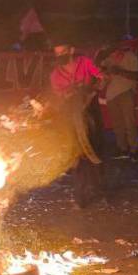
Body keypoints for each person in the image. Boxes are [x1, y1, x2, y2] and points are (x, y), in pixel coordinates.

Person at [49, 43, 106, 208]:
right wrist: (70, 93)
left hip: (91, 112)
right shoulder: (55, 74)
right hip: (72, 116)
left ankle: (100, 190)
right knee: (78, 155)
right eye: (57, 53)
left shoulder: (85, 63)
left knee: (96, 150)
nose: (60, 56)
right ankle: (80, 195)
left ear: (71, 50)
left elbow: (102, 78)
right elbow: (58, 97)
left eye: (63, 52)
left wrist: (95, 86)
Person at [100, 43, 138, 161]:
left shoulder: (130, 56)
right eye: (110, 52)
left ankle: (135, 150)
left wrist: (120, 71)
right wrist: (105, 77)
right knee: (117, 124)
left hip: (127, 91)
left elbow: (137, 76)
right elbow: (102, 85)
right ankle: (122, 149)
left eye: (114, 51)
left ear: (119, 48)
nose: (113, 54)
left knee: (130, 123)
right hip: (111, 96)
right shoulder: (106, 61)